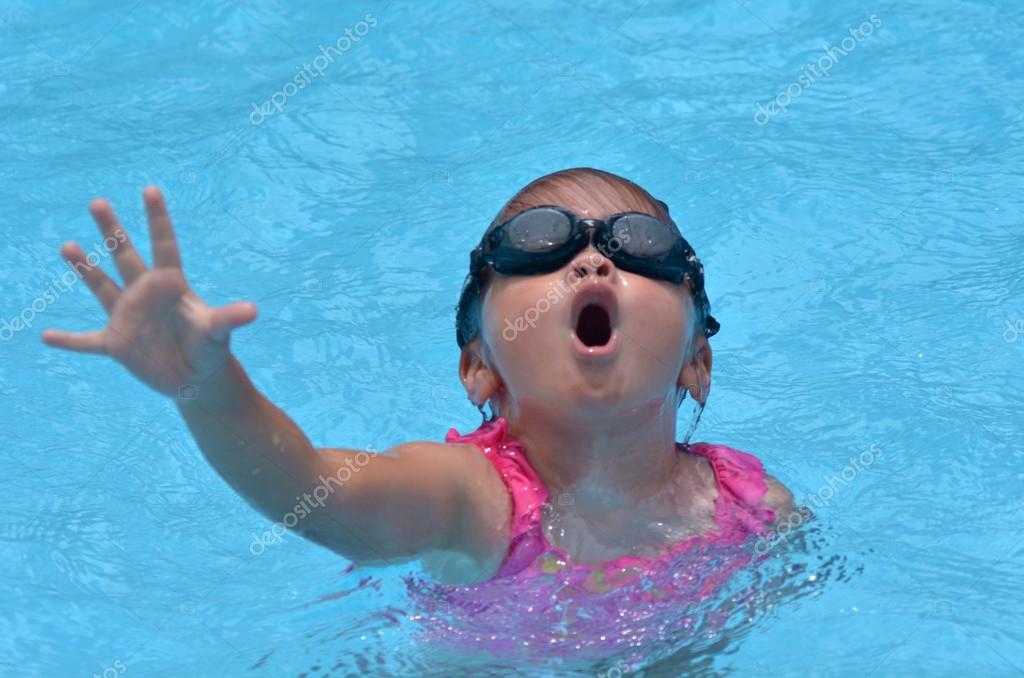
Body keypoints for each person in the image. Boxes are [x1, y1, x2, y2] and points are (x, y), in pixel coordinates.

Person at [42, 167, 794, 588]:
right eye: (537, 249)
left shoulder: (750, 505)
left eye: (642, 249)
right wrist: (208, 389)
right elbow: (318, 494)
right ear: (478, 366)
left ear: (698, 357)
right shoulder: (470, 498)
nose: (593, 261)